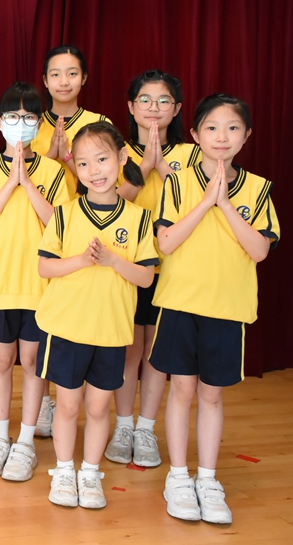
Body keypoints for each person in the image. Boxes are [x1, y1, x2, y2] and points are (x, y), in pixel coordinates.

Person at [150, 94, 279, 524]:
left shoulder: (258, 189)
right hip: (180, 303)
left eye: (232, 128)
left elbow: (259, 250)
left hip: (227, 308)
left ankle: (207, 478)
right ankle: (178, 477)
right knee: (182, 391)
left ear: (246, 136)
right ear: (194, 134)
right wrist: (206, 201)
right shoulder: (176, 183)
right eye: (211, 127)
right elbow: (166, 242)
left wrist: (225, 204)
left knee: (211, 394)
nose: (222, 136)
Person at [36, 122, 157, 509]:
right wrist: (81, 260)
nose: (94, 170)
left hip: (111, 331)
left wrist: (112, 260)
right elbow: (44, 267)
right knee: (68, 406)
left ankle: (90, 473)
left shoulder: (138, 218)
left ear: (121, 158)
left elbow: (146, 276)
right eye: (84, 163)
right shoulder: (64, 214)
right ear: (75, 166)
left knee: (100, 407)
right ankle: (64, 471)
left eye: (102, 159)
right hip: (66, 328)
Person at [0, 83, 70, 483]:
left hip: (40, 285)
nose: (20, 123)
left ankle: (25, 441)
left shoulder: (54, 173)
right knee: (2, 361)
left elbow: (59, 225)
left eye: (28, 117)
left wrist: (28, 183)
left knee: (31, 362)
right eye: (13, 116)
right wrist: (10, 182)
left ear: (39, 123)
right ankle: (0, 438)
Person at [105, 70, 200, 468]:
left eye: (164, 101)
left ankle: (146, 428)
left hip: (175, 269)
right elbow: (111, 201)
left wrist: (164, 168)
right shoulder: (118, 151)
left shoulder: (193, 154)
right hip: (128, 265)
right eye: (145, 99)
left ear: (176, 109)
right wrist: (145, 167)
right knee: (129, 348)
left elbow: (198, 203)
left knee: (157, 353)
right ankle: (123, 425)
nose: (154, 108)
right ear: (131, 107)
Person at [31, 45, 113, 439]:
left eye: (72, 73)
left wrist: (69, 161)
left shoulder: (99, 123)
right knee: (44, 320)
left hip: (85, 234)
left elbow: (115, 183)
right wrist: (50, 156)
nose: (64, 81)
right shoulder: (30, 123)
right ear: (45, 81)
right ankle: (47, 402)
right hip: (39, 229)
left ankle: (86, 408)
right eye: (56, 74)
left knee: (78, 319)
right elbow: (25, 176)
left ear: (84, 79)